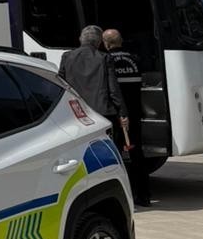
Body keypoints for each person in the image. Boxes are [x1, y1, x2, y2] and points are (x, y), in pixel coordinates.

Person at [58, 23, 129, 170]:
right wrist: (122, 112)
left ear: (80, 39)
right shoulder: (104, 57)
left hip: (76, 113)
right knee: (105, 152)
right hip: (101, 112)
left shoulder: (67, 56)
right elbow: (113, 88)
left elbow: (61, 84)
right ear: (99, 42)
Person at [104, 28, 152, 207]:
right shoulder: (135, 59)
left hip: (117, 115)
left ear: (106, 43)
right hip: (135, 113)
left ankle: (120, 195)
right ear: (121, 41)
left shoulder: (106, 60)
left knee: (115, 154)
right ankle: (144, 195)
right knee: (137, 154)